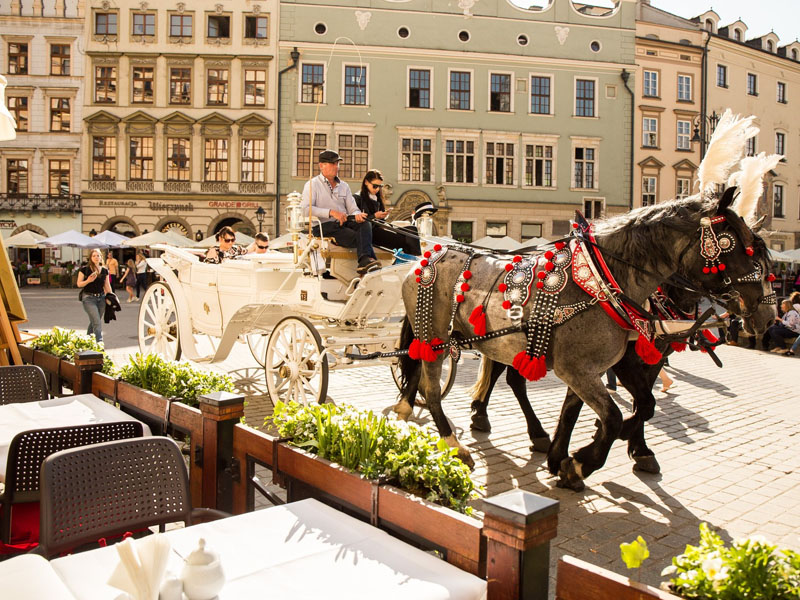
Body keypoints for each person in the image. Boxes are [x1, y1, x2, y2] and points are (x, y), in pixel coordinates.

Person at [301, 150, 379, 275]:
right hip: (323, 227)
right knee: (357, 236)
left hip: (344, 222)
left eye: (337, 163)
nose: (336, 167)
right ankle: (368, 261)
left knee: (366, 224)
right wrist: (331, 212)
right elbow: (305, 210)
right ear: (321, 165)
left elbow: (353, 208)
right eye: (332, 164)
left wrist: (358, 215)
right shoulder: (312, 185)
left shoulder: (344, 186)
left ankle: (365, 261)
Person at [353, 169, 421, 256]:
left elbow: (381, 221)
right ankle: (416, 262)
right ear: (366, 182)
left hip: (380, 228)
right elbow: (357, 222)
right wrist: (375, 216)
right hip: (370, 233)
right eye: (374, 186)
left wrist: (384, 216)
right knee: (405, 240)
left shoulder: (377, 197)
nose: (377, 189)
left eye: (379, 186)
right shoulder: (357, 198)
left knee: (412, 230)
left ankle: (417, 258)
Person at [76, 248, 112, 343]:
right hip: (88, 298)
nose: (96, 257)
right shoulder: (84, 270)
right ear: (90, 258)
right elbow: (79, 284)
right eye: (94, 256)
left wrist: (111, 297)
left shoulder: (104, 270)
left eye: (98, 255)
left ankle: (87, 341)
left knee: (94, 321)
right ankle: (99, 343)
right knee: (97, 321)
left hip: (101, 298)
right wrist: (88, 281)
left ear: (101, 257)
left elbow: (107, 286)